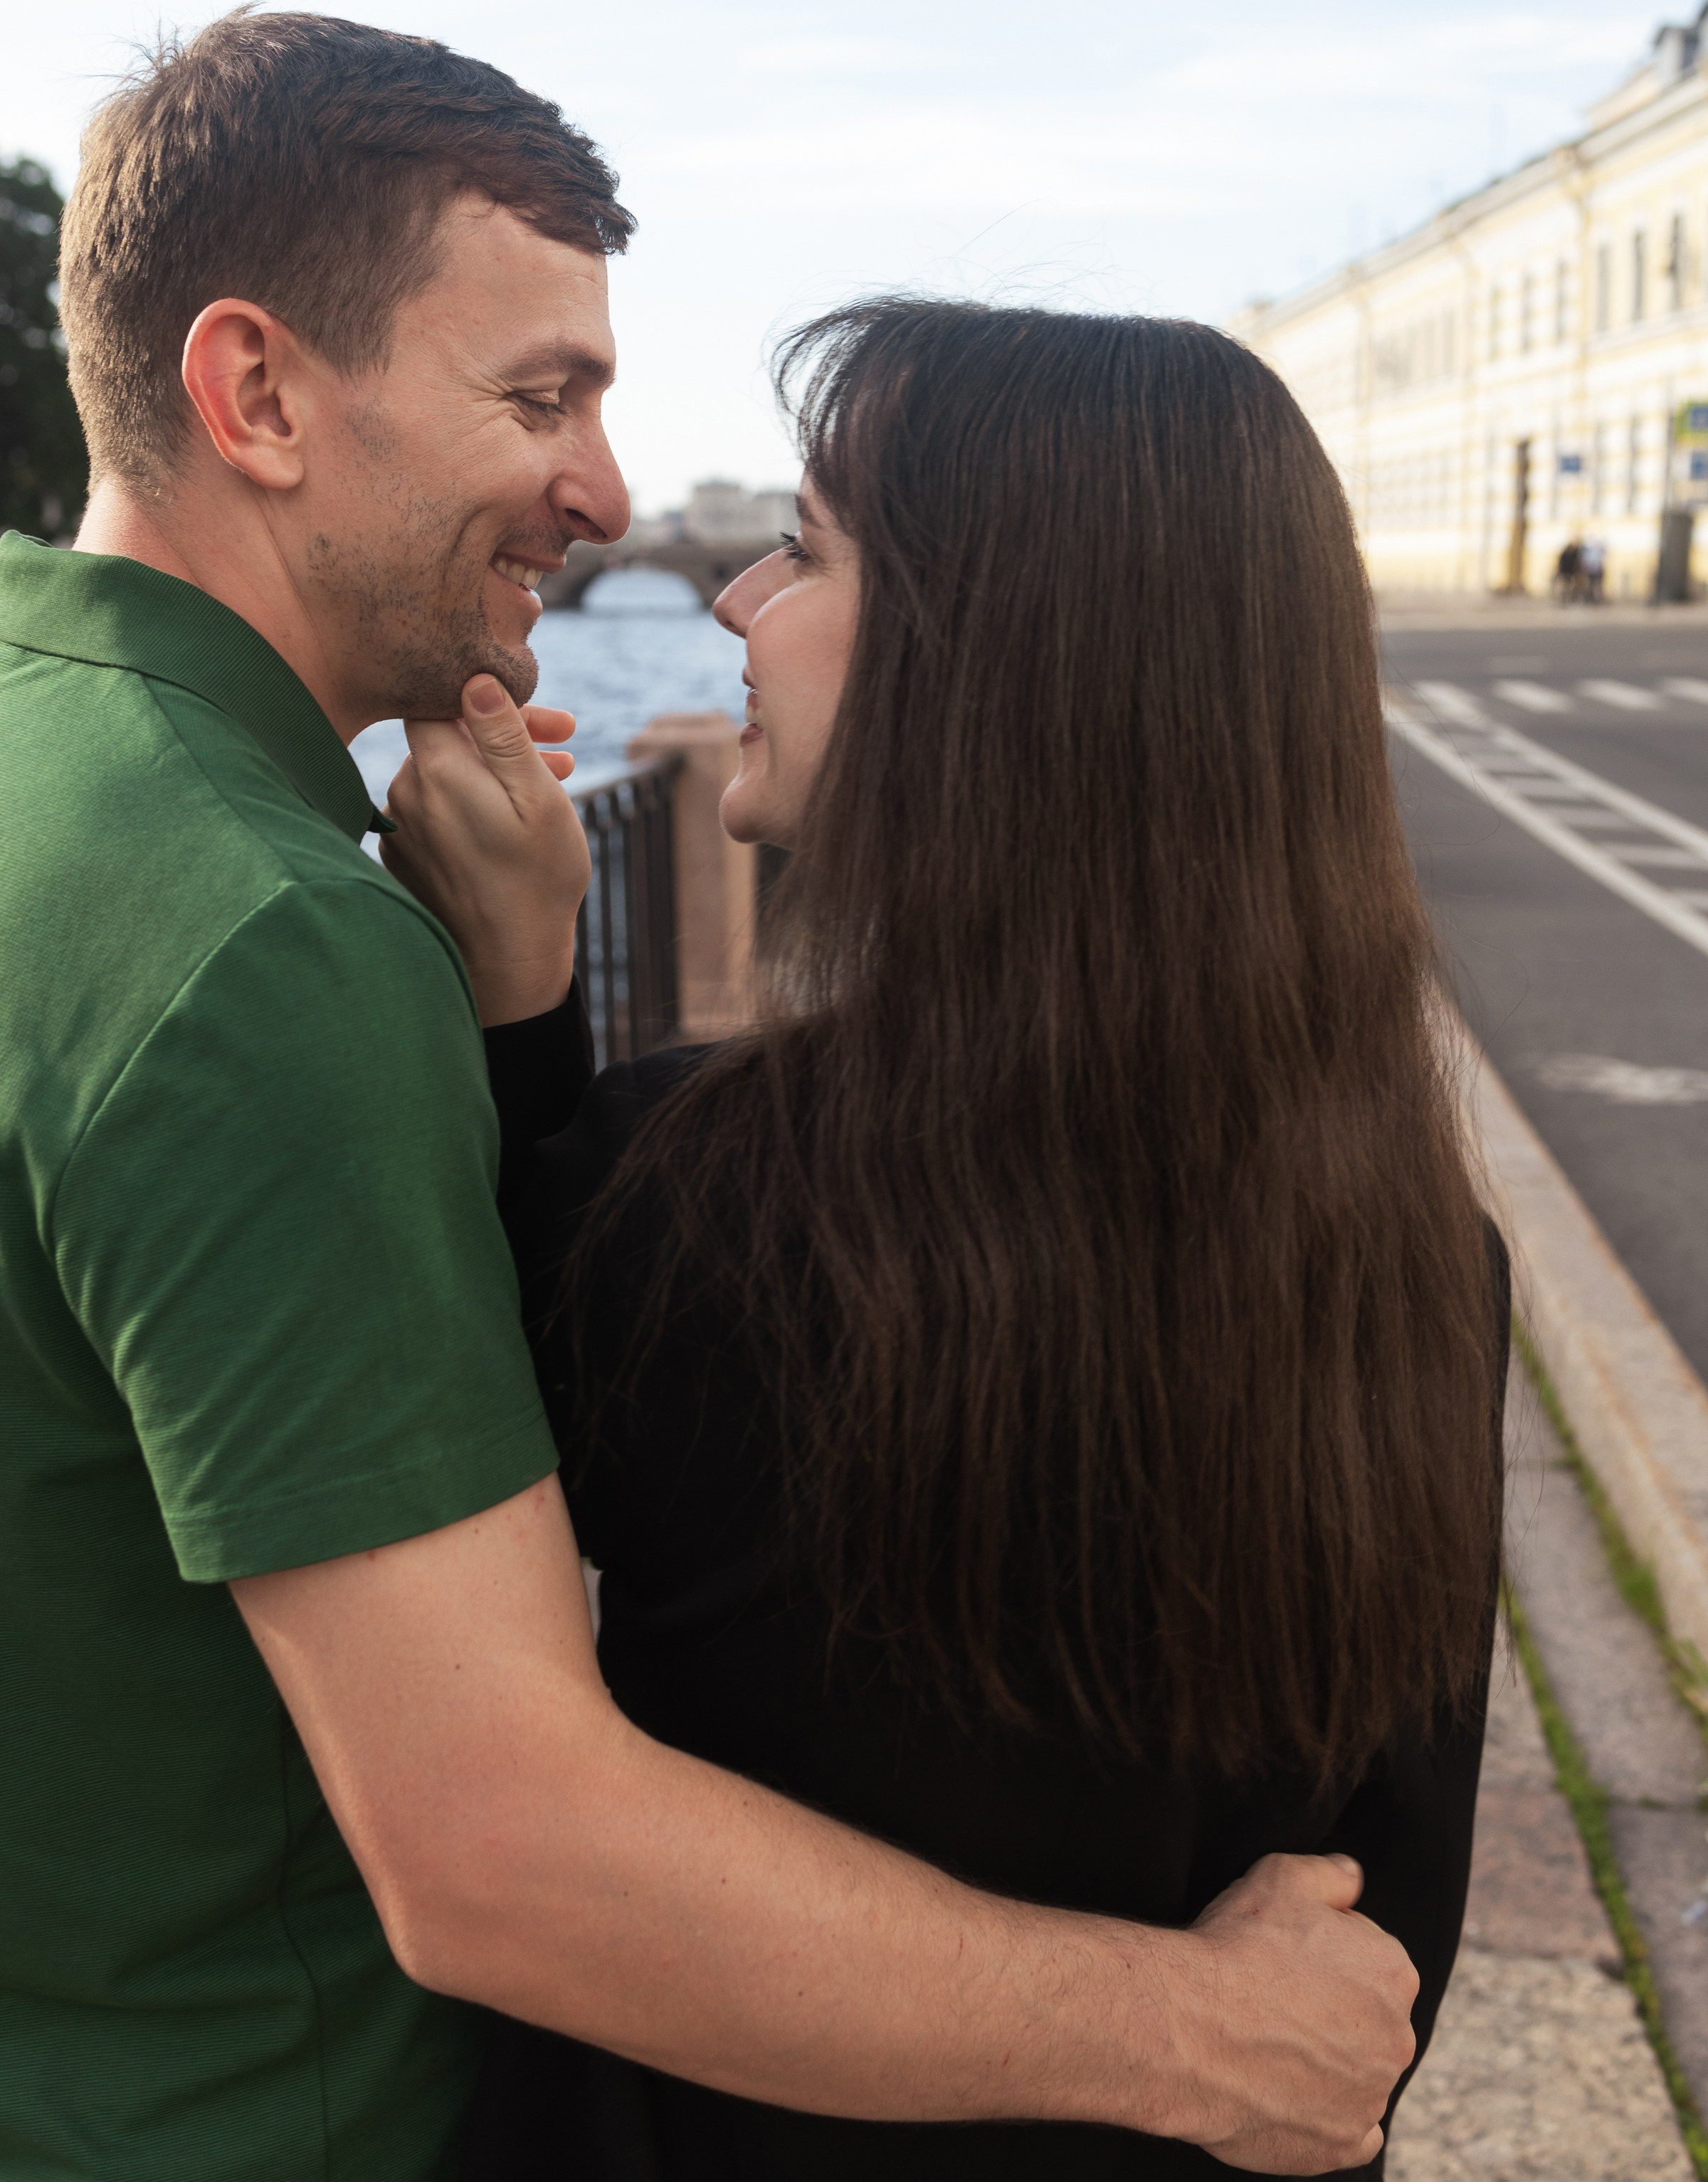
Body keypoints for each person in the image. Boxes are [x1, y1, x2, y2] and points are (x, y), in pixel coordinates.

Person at [0, 14, 1416, 2181]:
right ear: (256, 393)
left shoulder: (47, 750)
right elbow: (503, 1852)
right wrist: (1201, 2031)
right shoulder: (262, 947)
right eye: (541, 392)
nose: (619, 500)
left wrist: (514, 1013)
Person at [385, 300, 1511, 2179]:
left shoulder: (709, 1213)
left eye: (811, 554)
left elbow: (489, 1609)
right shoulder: (1414, 1257)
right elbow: (1378, 1956)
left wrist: (515, 1013)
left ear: (990, 669)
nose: (736, 604)